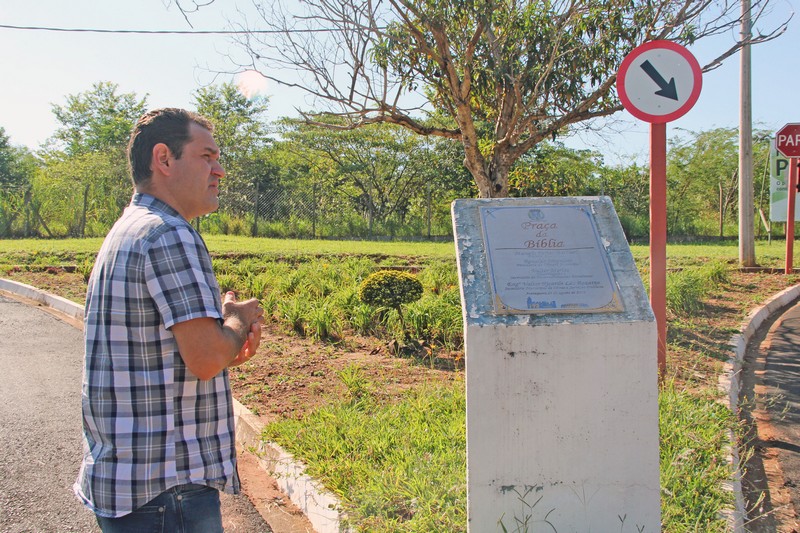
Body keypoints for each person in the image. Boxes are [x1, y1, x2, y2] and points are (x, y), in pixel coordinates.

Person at [74, 108, 264, 533]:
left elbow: (166, 357)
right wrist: (234, 322)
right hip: (166, 492)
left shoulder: (130, 229)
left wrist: (222, 337)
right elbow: (206, 358)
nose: (220, 170)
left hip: (131, 484)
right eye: (207, 156)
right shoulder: (170, 233)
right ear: (164, 159)